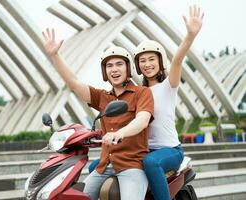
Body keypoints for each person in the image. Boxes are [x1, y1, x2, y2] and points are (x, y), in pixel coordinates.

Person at [88, 5, 204, 200]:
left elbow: (177, 61)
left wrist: (190, 36)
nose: (147, 64)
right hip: (141, 150)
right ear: (137, 66)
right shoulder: (136, 92)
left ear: (160, 62)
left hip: (168, 149)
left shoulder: (168, 85)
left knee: (151, 163)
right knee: (95, 166)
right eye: (142, 60)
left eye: (152, 59)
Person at [42, 28, 154, 200]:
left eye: (119, 64)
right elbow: (74, 83)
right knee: (79, 197)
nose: (114, 69)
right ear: (105, 71)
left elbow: (142, 120)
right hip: (104, 166)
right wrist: (55, 56)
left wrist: (119, 133)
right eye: (109, 65)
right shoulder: (102, 97)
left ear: (128, 68)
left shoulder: (142, 92)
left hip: (132, 165)